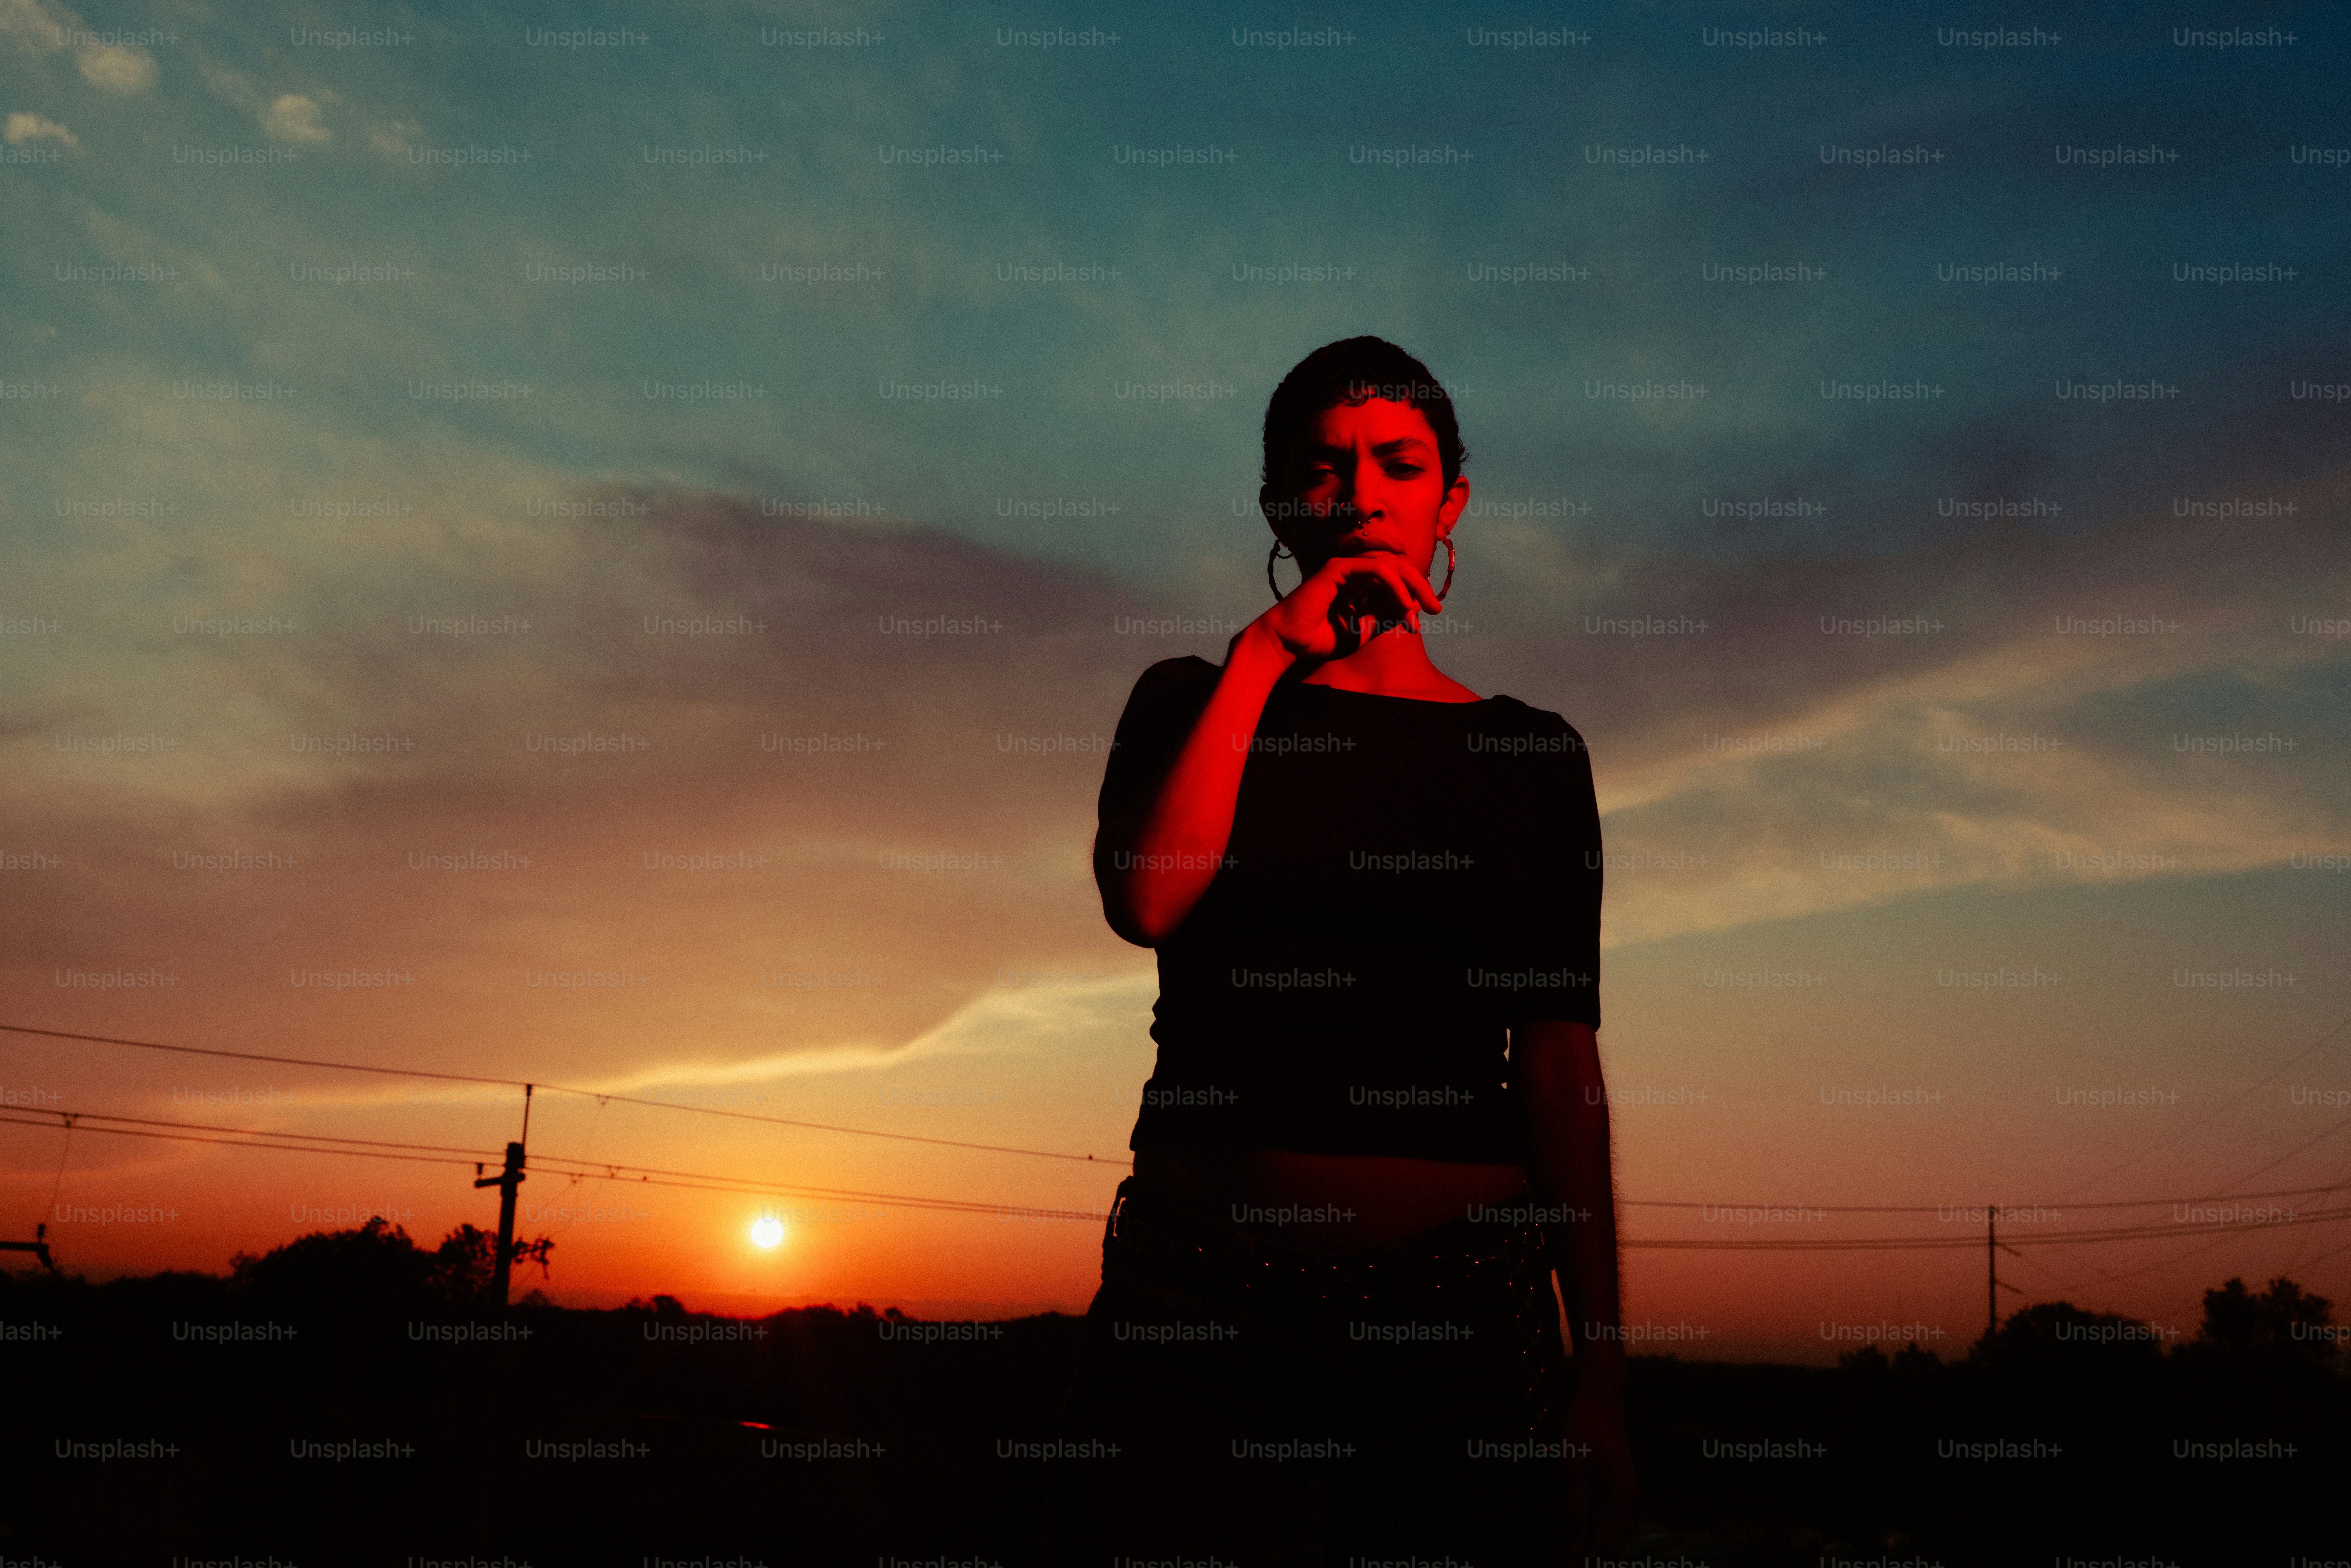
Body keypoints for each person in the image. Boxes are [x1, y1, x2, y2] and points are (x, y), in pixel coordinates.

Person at [1055, 337, 1636, 1562]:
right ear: (1278, 504)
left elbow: (1557, 1069)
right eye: (1322, 469)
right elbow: (1148, 901)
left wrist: (1599, 1375)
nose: (1362, 493)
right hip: (1192, 1312)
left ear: (1449, 501)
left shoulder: (1531, 756)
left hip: (1457, 1320)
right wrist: (1264, 661)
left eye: (1398, 463)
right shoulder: (1185, 700)